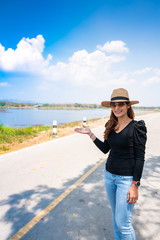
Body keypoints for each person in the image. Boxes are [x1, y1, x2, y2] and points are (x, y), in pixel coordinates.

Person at [74, 88, 147, 240]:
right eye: (113, 105)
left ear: (128, 105)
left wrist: (135, 185)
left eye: (120, 104)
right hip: (109, 177)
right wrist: (90, 134)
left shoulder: (137, 127)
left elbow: (140, 158)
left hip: (126, 181)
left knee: (124, 224)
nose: (116, 108)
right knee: (116, 221)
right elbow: (105, 149)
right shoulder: (111, 125)